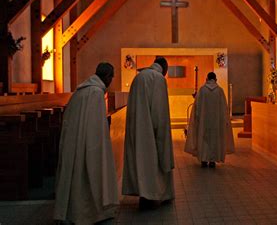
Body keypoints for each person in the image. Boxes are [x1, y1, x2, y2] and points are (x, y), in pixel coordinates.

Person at [54, 63, 118, 224]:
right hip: (87, 142)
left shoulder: (81, 91)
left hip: (73, 141)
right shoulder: (95, 93)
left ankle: (72, 212)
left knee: (75, 176)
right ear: (107, 76)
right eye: (112, 77)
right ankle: (89, 213)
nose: (111, 81)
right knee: (88, 174)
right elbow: (95, 127)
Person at [122, 56, 175, 210]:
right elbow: (159, 111)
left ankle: (143, 195)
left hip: (137, 128)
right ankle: (155, 195)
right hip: (151, 130)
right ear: (164, 69)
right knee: (154, 162)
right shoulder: (158, 79)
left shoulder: (138, 78)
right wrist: (162, 134)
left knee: (140, 162)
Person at [185, 72, 235, 168]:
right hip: (216, 122)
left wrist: (197, 118)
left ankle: (204, 159)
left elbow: (197, 108)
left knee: (204, 139)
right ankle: (213, 161)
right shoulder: (220, 91)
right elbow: (224, 108)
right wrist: (223, 120)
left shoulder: (202, 90)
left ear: (206, 79)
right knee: (215, 139)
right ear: (215, 79)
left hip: (204, 121)